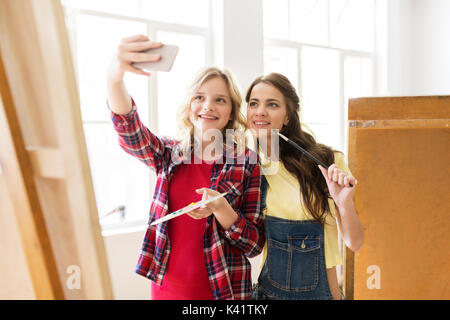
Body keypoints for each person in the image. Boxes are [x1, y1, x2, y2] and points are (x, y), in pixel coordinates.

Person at [106, 34, 265, 300]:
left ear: (231, 110)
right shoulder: (168, 154)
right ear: (190, 105)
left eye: (220, 100)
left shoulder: (246, 163)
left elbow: (254, 244)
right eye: (199, 97)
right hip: (167, 290)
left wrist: (222, 209)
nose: (208, 106)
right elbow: (129, 130)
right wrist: (115, 78)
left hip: (224, 292)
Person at [245, 72, 364, 300]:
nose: (260, 111)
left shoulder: (327, 162)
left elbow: (355, 242)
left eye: (272, 104)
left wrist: (344, 202)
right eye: (253, 103)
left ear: (287, 116)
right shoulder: (250, 168)